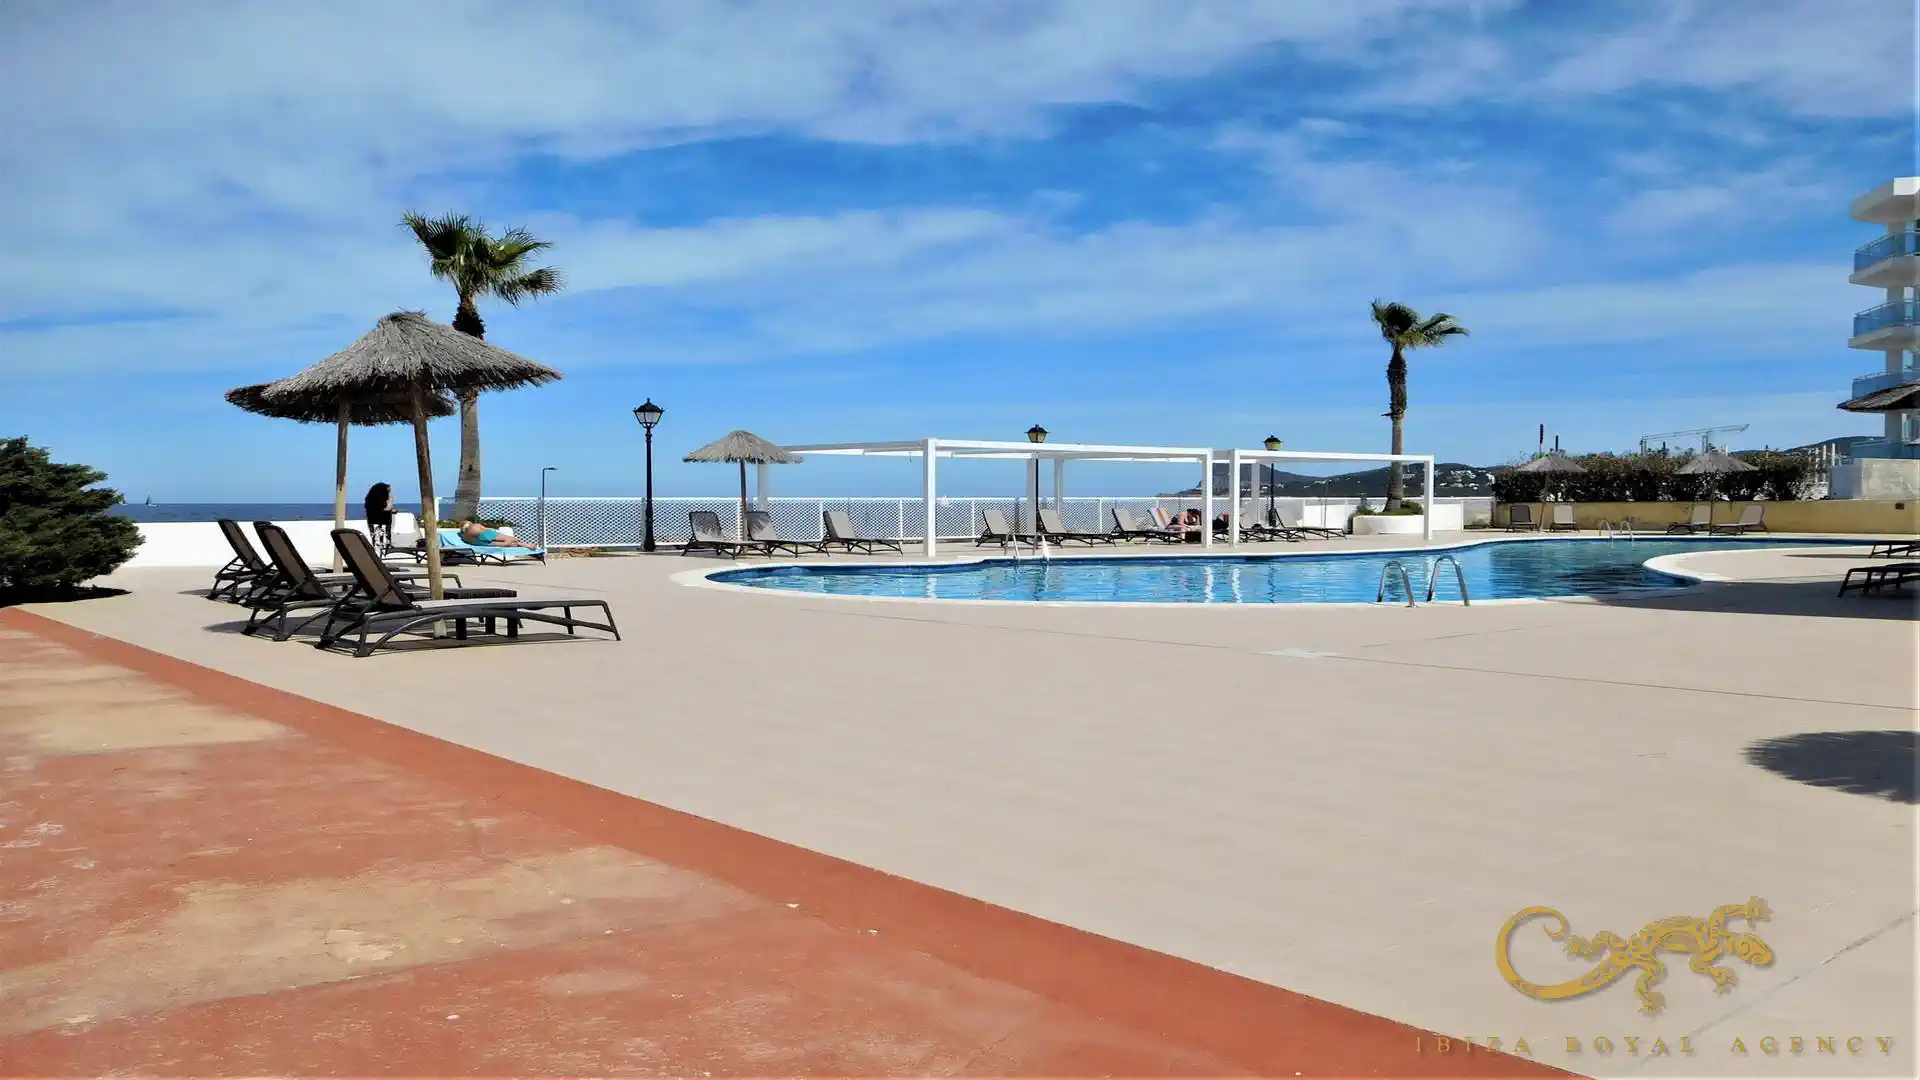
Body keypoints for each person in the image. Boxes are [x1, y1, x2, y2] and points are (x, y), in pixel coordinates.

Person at [362, 482, 396, 551]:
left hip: (374, 516)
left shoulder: (371, 498)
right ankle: (385, 545)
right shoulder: (381, 497)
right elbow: (387, 506)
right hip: (381, 516)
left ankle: (377, 544)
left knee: (378, 531)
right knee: (384, 530)